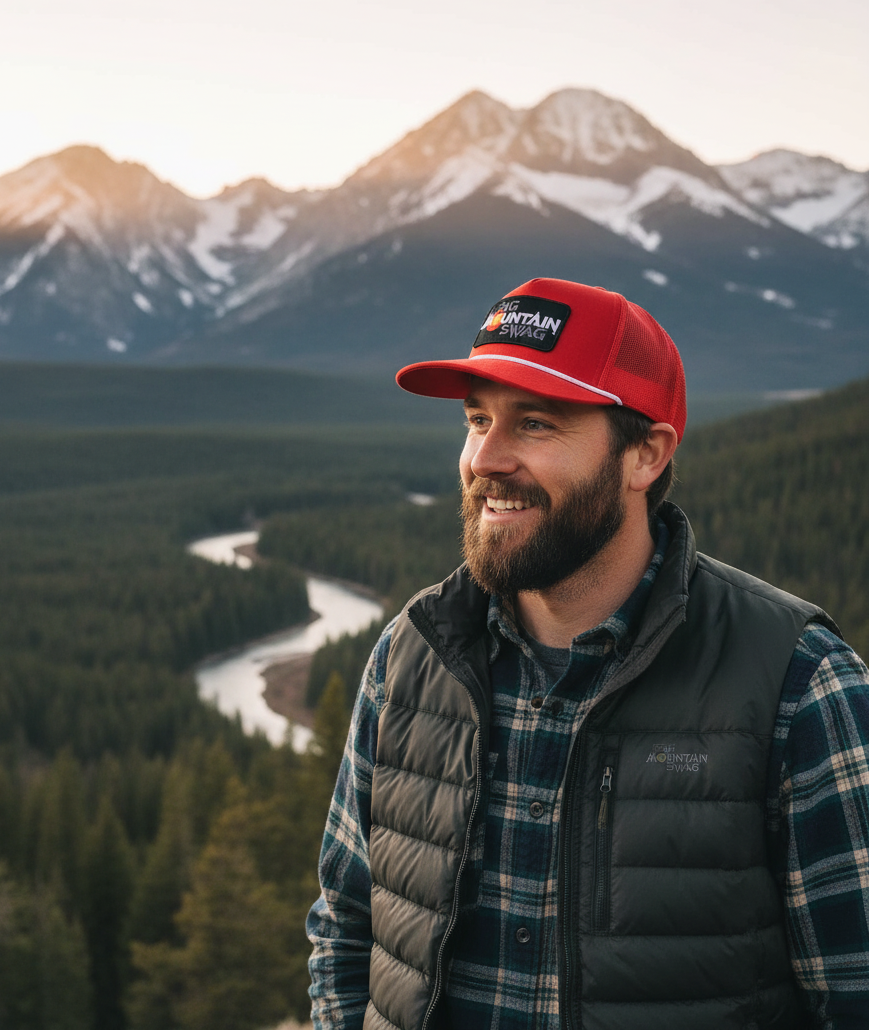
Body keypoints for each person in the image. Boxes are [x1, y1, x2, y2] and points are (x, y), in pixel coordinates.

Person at [307, 277, 869, 1030]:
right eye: (477, 420)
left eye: (534, 423)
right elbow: (346, 932)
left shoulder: (798, 684)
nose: (486, 460)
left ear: (645, 455)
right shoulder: (411, 658)